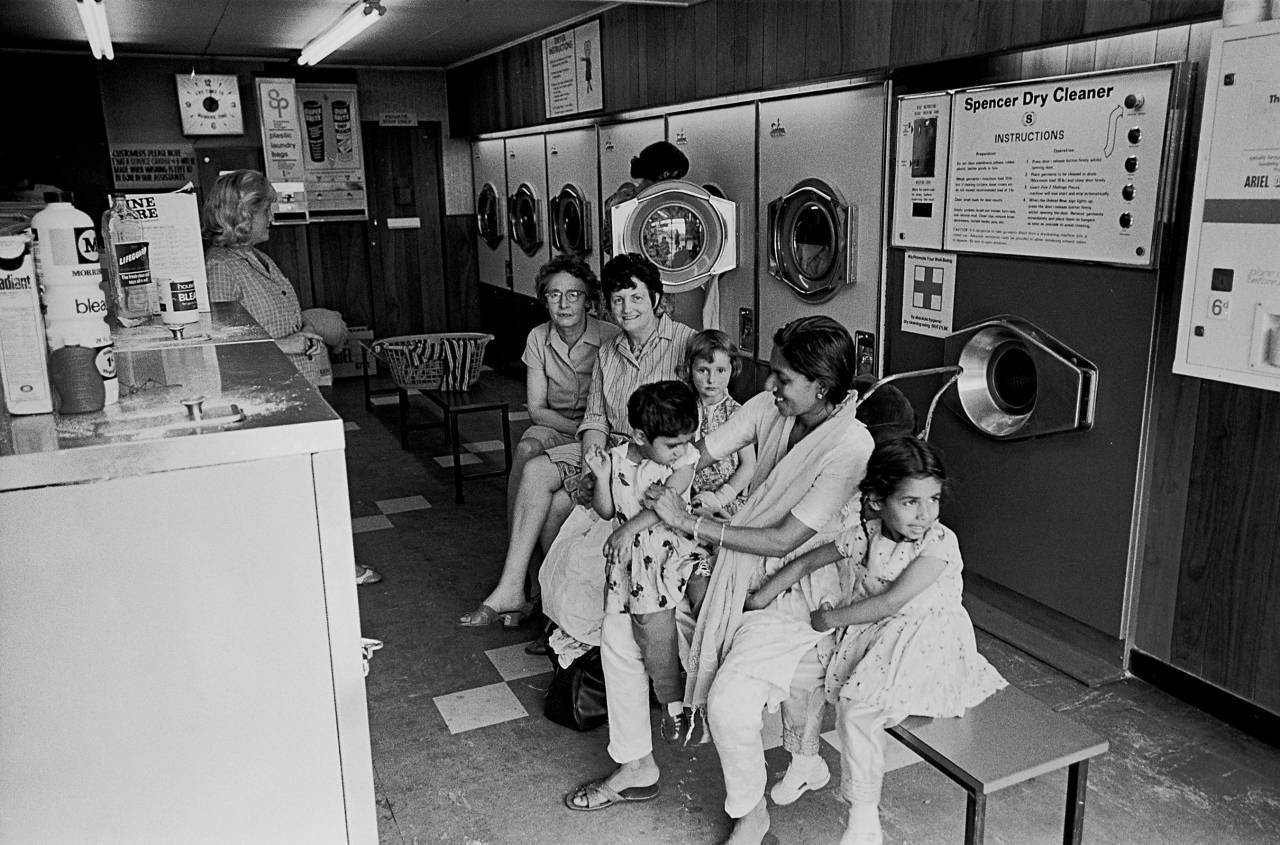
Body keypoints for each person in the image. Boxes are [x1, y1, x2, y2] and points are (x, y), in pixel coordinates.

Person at [561, 316, 873, 815]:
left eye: (784, 378)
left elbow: (783, 540)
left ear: (822, 387)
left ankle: (749, 809)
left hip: (795, 582)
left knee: (729, 698)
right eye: (771, 373)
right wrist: (642, 477)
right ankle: (638, 764)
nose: (770, 385)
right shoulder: (768, 409)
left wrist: (687, 521)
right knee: (618, 629)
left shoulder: (851, 445)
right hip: (731, 552)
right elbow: (696, 453)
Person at [744, 437, 1007, 844]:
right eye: (910, 502)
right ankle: (805, 759)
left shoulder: (938, 542)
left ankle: (864, 817)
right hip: (874, 636)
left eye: (933, 499)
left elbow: (890, 603)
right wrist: (763, 594)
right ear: (876, 501)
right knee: (802, 671)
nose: (926, 514)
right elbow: (811, 558)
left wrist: (829, 617)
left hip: (926, 642)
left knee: (857, 710)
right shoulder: (866, 533)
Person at [461, 253, 696, 628]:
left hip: (649, 461)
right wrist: (591, 462)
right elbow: (596, 418)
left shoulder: (687, 344)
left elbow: (699, 422)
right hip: (608, 449)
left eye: (636, 298)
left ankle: (554, 610)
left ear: (655, 298)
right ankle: (512, 587)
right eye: (618, 300)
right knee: (535, 469)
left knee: (556, 504)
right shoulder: (609, 351)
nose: (626, 308)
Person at [203, 169, 380, 587]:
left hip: (294, 387)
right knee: (296, 486)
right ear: (243, 214)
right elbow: (225, 345)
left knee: (310, 481)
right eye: (267, 208)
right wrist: (293, 344)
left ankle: (322, 562)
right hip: (266, 393)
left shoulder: (257, 258)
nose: (273, 217)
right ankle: (324, 567)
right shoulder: (222, 268)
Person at [579, 380, 708, 753]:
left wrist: (626, 531)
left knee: (711, 606)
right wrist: (601, 478)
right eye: (672, 443)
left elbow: (666, 502)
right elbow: (606, 511)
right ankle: (672, 704)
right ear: (638, 434)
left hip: (680, 553)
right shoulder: (617, 460)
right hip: (640, 570)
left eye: (688, 439)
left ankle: (704, 695)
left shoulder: (684, 460)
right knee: (652, 630)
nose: (682, 449)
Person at [509, 256, 619, 534]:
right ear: (545, 300)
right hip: (557, 425)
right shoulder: (537, 337)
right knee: (525, 449)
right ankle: (517, 539)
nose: (563, 304)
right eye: (554, 294)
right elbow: (536, 409)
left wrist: (590, 432)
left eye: (573, 294)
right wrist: (576, 430)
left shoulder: (611, 336)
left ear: (588, 300)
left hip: (599, 430)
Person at [684, 329, 755, 613]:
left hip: (727, 503)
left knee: (729, 549)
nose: (711, 379)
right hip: (692, 502)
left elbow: (748, 466)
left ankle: (728, 596)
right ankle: (703, 608)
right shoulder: (685, 410)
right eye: (703, 370)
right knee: (693, 562)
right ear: (690, 370)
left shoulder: (739, 414)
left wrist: (721, 497)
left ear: (732, 371)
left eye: (720, 370)